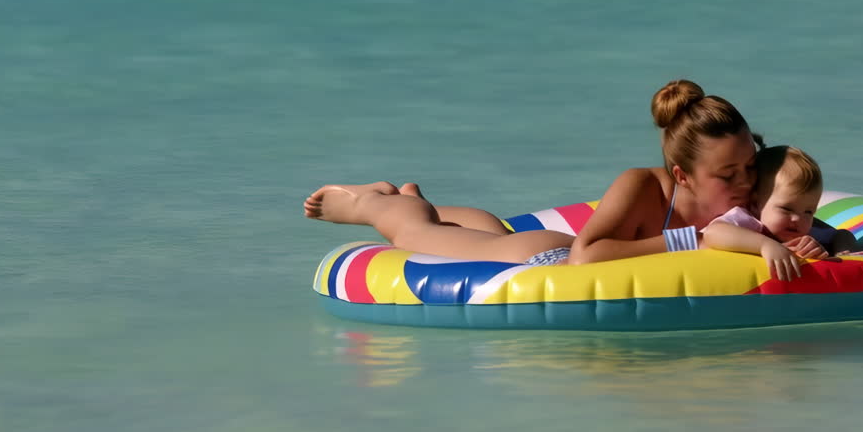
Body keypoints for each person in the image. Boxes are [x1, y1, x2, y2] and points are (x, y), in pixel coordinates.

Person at [303, 79, 761, 266]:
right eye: (728, 175)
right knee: (415, 233)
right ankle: (369, 201)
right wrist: (692, 240)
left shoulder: (755, 189)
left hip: (527, 244)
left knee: (489, 230)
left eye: (750, 166)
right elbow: (585, 255)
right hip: (543, 257)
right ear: (683, 176)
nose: (745, 182)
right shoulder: (643, 187)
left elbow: (795, 218)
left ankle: (413, 198)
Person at [702, 145, 856, 282]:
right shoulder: (748, 221)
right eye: (786, 209)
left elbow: (843, 235)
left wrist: (841, 252)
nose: (797, 218)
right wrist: (766, 245)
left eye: (809, 211)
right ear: (755, 203)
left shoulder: (801, 230)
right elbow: (713, 233)